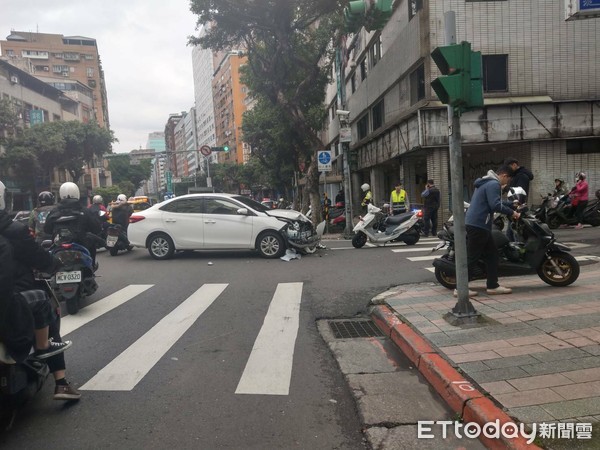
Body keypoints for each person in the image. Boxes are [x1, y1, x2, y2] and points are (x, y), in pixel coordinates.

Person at [0, 181, 79, 400]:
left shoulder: (36, 215)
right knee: (45, 309)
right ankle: (61, 382)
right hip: (15, 293)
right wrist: (53, 265)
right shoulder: (13, 230)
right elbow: (36, 254)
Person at [463, 165, 520, 297]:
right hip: (479, 224)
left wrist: (511, 204)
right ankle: (461, 288)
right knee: (472, 257)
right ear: (505, 175)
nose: (507, 183)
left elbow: (494, 202)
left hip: (477, 223)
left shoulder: (486, 182)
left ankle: (492, 285)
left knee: (492, 255)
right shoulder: (494, 184)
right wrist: (512, 212)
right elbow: (495, 204)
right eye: (508, 180)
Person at [44, 182, 102, 266]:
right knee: (92, 244)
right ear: (77, 193)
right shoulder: (85, 211)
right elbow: (96, 228)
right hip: (82, 245)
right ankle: (92, 266)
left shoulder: (54, 211)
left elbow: (47, 229)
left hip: (58, 247)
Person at [504, 158, 533, 241]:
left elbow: (518, 192)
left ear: (514, 165)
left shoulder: (522, 176)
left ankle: (517, 249)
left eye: (508, 167)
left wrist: (506, 188)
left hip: (518, 207)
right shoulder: (516, 175)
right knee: (511, 230)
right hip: (514, 205)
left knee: (515, 231)